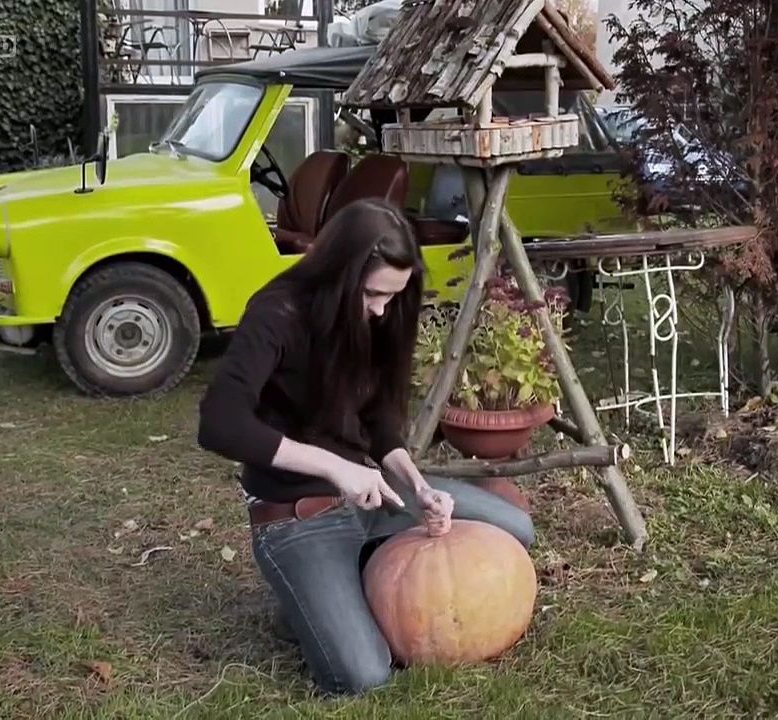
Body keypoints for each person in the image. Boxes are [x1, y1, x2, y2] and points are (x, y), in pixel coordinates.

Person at [196, 197, 535, 696]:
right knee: (362, 673)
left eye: (393, 297)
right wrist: (335, 468)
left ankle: (355, 574)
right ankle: (316, 596)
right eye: (374, 294)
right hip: (298, 514)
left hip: (375, 496)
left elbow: (378, 422)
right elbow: (219, 423)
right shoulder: (276, 313)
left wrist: (417, 486)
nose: (381, 309)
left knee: (515, 528)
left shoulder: (378, 316)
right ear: (339, 273)